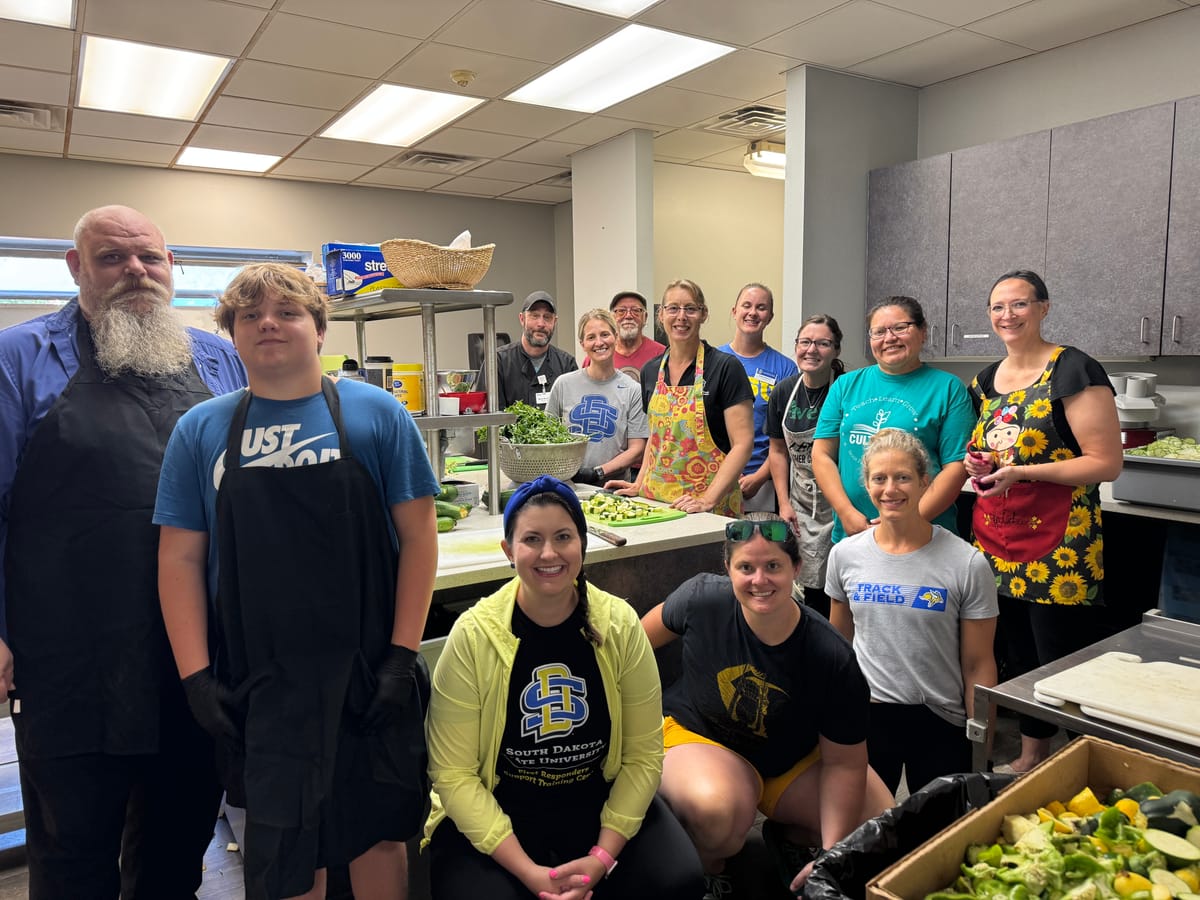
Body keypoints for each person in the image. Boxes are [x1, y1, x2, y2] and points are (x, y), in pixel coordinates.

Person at [155, 263, 439, 900]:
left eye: (287, 312)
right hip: (262, 681)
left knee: (378, 834)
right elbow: (179, 560)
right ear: (232, 333)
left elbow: (420, 537)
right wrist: (196, 678)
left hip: (368, 670)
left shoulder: (376, 414)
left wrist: (401, 655)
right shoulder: (200, 430)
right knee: (284, 846)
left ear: (319, 328)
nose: (268, 324)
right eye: (250, 315)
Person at [0, 205, 245, 898]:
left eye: (150, 258)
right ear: (75, 268)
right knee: (72, 858)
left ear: (172, 268)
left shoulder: (218, 357)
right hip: (71, 660)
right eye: (112, 257)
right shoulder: (17, 359)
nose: (136, 271)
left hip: (193, 657)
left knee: (176, 851)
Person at [423, 475, 704, 900]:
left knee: (677, 880)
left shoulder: (620, 626)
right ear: (508, 550)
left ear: (583, 544)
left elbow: (643, 758)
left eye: (563, 537)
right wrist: (531, 874)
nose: (549, 553)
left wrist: (601, 858)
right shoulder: (473, 636)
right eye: (531, 539)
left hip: (596, 798)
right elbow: (453, 775)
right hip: (500, 804)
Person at [641, 513, 893, 897]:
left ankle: (791, 838)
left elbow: (845, 763)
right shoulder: (702, 598)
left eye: (773, 566)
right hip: (702, 736)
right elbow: (637, 643)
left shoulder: (831, 656)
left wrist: (832, 855)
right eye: (746, 567)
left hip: (788, 756)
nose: (759, 580)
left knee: (876, 823)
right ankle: (708, 866)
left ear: (796, 568)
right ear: (728, 568)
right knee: (719, 812)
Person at [963, 269, 1122, 773]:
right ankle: (1031, 755)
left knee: (1060, 655)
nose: (1007, 315)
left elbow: (1105, 462)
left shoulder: (1073, 369)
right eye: (997, 307)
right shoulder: (984, 380)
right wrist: (980, 464)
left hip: (1060, 542)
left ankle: (1078, 763)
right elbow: (992, 448)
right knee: (1014, 651)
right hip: (996, 535)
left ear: (1043, 307)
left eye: (1019, 304)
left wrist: (1022, 472)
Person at [826, 429, 998, 797]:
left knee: (941, 824)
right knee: (865, 824)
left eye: (903, 477)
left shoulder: (966, 563)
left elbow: (978, 663)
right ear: (867, 485)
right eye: (879, 478)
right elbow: (838, 647)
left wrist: (981, 740)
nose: (890, 489)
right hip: (869, 714)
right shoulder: (845, 556)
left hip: (940, 717)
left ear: (924, 482)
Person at [812, 296, 975, 543]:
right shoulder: (845, 386)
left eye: (900, 328)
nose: (889, 338)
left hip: (923, 534)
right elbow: (821, 454)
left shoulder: (948, 389)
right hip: (854, 532)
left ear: (923, 332)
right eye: (879, 332)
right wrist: (845, 512)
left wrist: (910, 520)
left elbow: (956, 467)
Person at [608, 279, 754, 517]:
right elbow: (656, 437)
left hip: (707, 510)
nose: (681, 317)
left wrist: (707, 500)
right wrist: (639, 482)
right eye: (673, 308)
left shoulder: (725, 368)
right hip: (656, 504)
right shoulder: (650, 371)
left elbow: (743, 444)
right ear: (661, 315)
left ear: (703, 314)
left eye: (690, 309)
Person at [766, 314, 847, 618]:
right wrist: (784, 503)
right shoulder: (784, 391)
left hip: (840, 501)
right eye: (805, 342)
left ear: (836, 350)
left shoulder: (846, 390)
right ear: (796, 346)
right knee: (806, 588)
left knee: (839, 584)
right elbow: (777, 451)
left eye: (822, 343)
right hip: (799, 502)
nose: (811, 350)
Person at [718, 283, 798, 513]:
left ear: (770, 317)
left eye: (761, 308)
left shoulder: (785, 368)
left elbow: (786, 436)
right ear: (734, 311)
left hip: (762, 482)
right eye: (747, 305)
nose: (753, 313)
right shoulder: (713, 360)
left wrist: (760, 477)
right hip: (715, 474)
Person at [546, 308, 648, 485]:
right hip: (567, 485)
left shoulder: (633, 390)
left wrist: (598, 472)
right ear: (582, 343)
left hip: (613, 488)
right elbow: (547, 436)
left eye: (605, 334)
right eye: (591, 337)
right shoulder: (563, 384)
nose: (599, 342)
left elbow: (637, 449)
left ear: (616, 337)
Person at [477, 290, 578, 410]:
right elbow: (488, 416)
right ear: (522, 319)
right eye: (535, 316)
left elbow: (573, 413)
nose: (541, 324)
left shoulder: (567, 365)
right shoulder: (497, 362)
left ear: (554, 322)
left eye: (547, 317)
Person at [582, 290, 666, 381]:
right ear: (612, 318)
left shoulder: (662, 355)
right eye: (621, 311)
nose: (628, 316)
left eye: (636, 310)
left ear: (645, 317)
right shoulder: (595, 357)